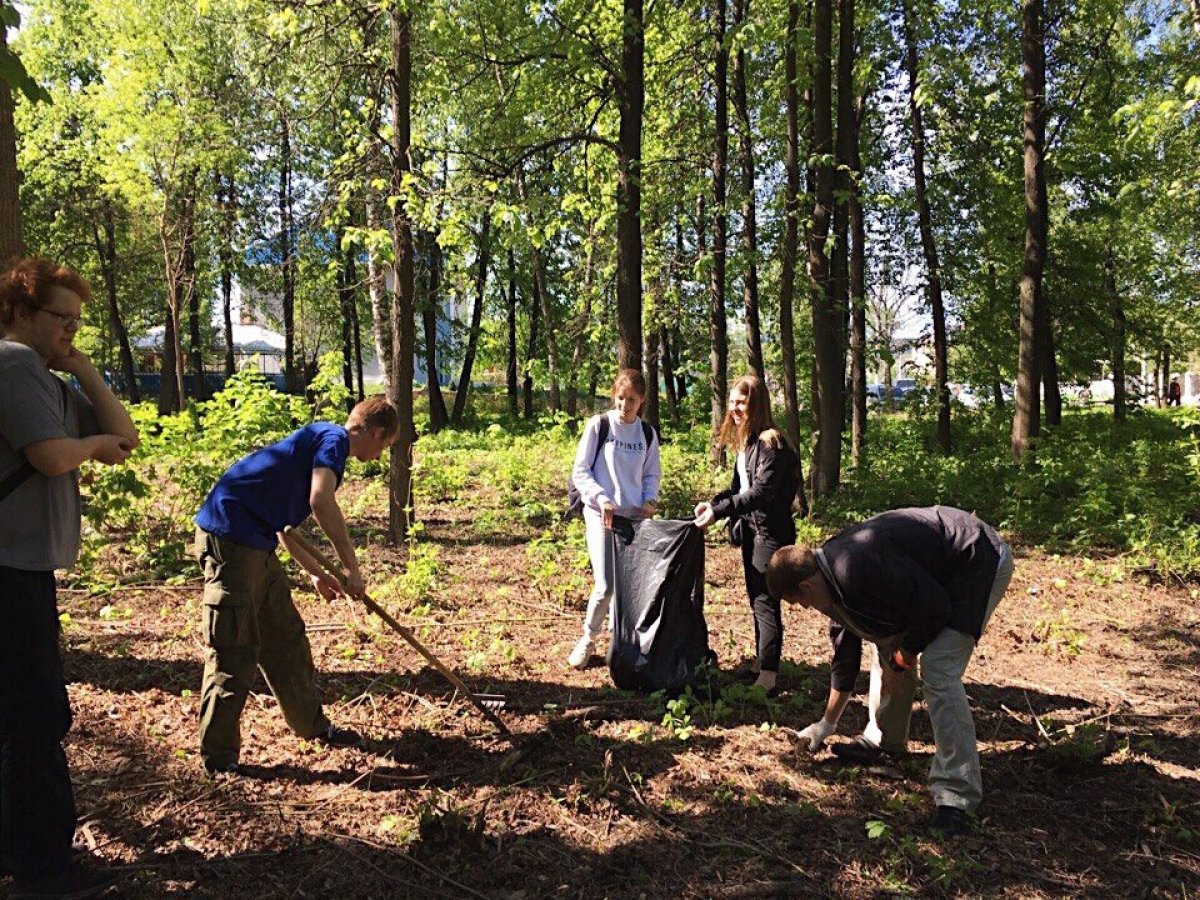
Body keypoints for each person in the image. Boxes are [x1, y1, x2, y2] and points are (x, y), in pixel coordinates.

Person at [0, 258, 140, 898]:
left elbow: (126, 434)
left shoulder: (48, 376)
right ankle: (42, 871)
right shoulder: (12, 363)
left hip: (26, 566)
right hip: (8, 571)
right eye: (60, 319)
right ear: (20, 313)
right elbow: (52, 456)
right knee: (34, 720)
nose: (70, 331)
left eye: (77, 322)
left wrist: (83, 367)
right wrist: (86, 449)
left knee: (25, 716)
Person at [765, 506, 1014, 836]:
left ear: (807, 587)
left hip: (976, 558)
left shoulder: (859, 566)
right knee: (883, 639)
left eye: (799, 602)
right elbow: (845, 659)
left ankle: (958, 795)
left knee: (939, 670)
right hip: (934, 577)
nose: (806, 609)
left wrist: (902, 660)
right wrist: (825, 725)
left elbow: (935, 608)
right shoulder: (831, 578)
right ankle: (885, 739)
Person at [193, 395, 399, 774]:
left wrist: (315, 572)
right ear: (376, 432)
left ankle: (312, 727)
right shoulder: (334, 441)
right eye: (385, 446)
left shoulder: (323, 442)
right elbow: (320, 501)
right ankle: (218, 760)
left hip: (258, 540)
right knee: (235, 647)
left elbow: (285, 524)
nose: (381, 454)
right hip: (233, 539)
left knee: (285, 636)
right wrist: (351, 569)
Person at [693, 375, 798, 694]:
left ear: (757, 404)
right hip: (752, 532)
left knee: (766, 601)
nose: (734, 408)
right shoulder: (749, 441)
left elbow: (761, 493)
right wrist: (713, 504)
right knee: (756, 599)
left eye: (741, 402)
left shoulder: (771, 442)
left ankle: (768, 675)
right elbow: (739, 488)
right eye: (732, 402)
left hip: (771, 533)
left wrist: (719, 513)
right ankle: (759, 664)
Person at [567, 369, 662, 669]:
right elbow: (581, 471)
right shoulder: (600, 426)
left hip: (633, 519)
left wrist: (649, 499)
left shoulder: (647, 434)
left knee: (629, 587)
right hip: (600, 514)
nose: (625, 406)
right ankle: (587, 638)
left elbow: (651, 474)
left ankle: (620, 643)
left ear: (642, 400)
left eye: (632, 400)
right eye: (620, 399)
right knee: (605, 585)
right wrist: (600, 497)